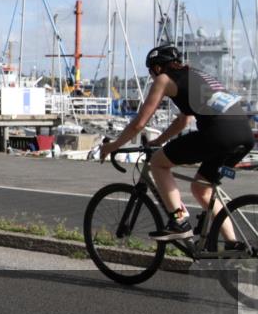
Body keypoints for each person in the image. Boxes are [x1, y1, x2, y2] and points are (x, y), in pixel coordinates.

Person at [99, 44, 254, 242]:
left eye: (150, 72)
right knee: (202, 189)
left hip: (218, 134)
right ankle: (233, 245)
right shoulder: (195, 75)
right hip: (244, 134)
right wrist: (158, 140)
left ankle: (179, 221)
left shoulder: (164, 79)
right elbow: (183, 120)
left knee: (158, 163)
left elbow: (139, 123)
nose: (152, 77)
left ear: (157, 68)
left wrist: (113, 145)